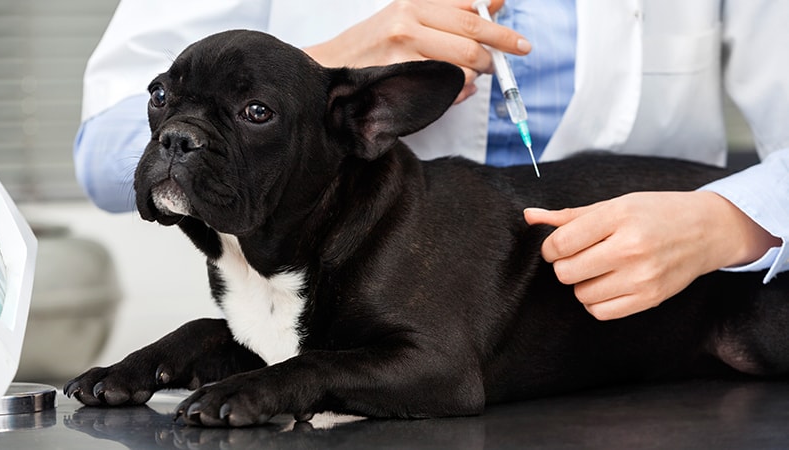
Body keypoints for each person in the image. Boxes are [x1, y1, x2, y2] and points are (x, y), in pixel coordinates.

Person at [74, 0, 788, 320]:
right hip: (357, 355)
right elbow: (103, 153)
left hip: (669, 342)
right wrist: (311, 79)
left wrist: (734, 220)